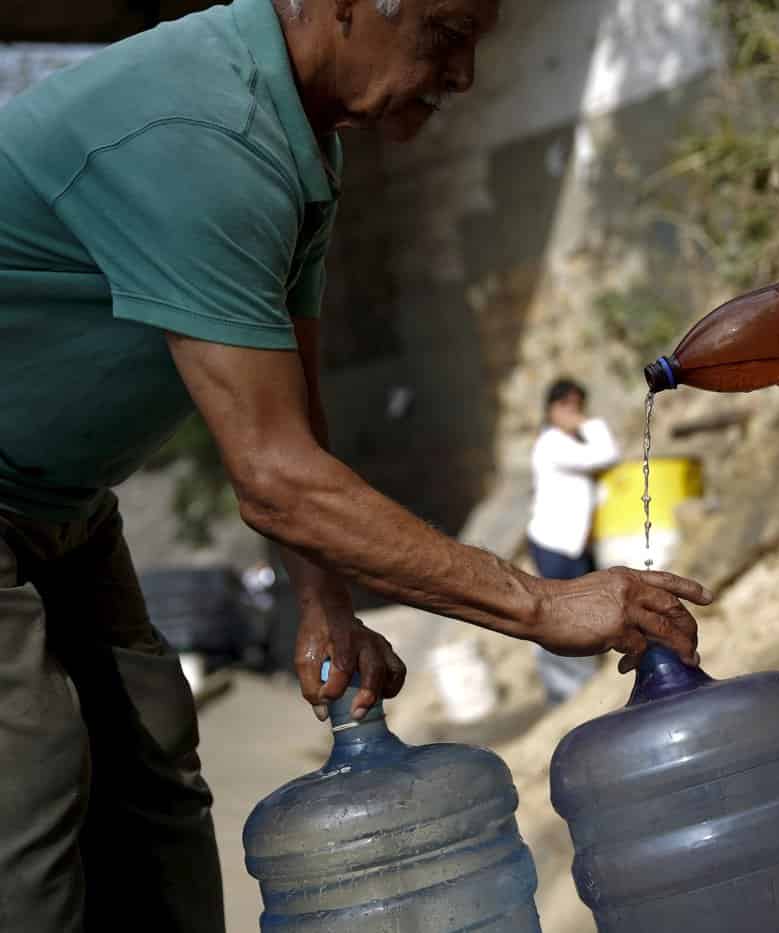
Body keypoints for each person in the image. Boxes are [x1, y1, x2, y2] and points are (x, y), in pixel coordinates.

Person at [0, 1, 711, 929]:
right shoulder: (204, 132)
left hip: (66, 501)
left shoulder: (300, 145)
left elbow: (292, 413)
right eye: (446, 35)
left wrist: (324, 602)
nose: (463, 75)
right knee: (31, 783)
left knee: (152, 762)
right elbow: (272, 477)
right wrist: (541, 604)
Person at [526, 379, 619, 703]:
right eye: (566, 406)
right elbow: (607, 454)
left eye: (578, 406)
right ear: (551, 410)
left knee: (583, 607)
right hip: (554, 545)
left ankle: (587, 677)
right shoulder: (551, 444)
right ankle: (565, 690)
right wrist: (588, 423)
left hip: (575, 545)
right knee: (559, 613)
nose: (573, 413)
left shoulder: (571, 444)